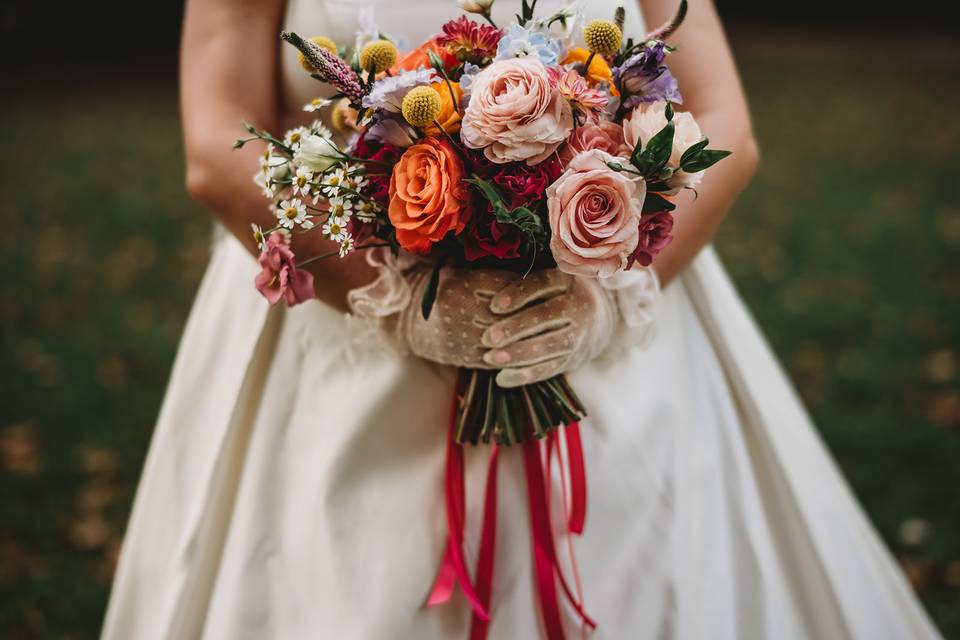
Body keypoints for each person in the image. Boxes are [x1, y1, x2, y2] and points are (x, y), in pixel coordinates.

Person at [101, 0, 943, 637]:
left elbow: (725, 125)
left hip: (623, 348)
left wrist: (605, 299)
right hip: (338, 335)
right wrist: (393, 298)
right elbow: (217, 143)